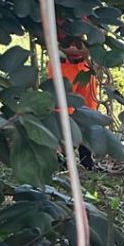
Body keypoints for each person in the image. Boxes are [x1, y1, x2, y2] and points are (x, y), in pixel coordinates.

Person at [49, 23, 100, 170]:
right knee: (62, 111)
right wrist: (86, 49)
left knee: (89, 110)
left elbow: (97, 38)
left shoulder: (89, 16)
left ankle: (86, 158)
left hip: (85, 67)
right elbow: (50, 43)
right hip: (63, 66)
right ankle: (62, 157)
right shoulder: (56, 16)